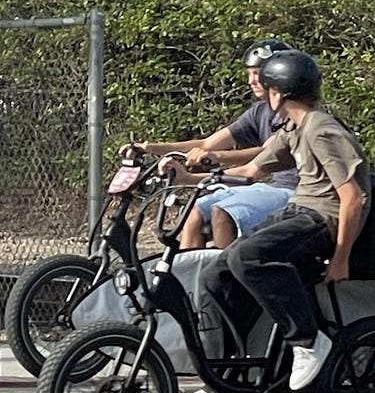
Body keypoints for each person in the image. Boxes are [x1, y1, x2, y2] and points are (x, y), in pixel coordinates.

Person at [180, 50, 371, 393]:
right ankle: (224, 378)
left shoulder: (321, 129)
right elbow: (252, 171)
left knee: (247, 256)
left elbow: (353, 197)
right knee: (216, 274)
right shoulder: (295, 129)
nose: (265, 94)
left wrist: (341, 258)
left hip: (321, 220)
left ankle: (309, 341)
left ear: (278, 94)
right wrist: (188, 177)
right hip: (297, 212)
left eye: (267, 87)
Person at [125, 39, 299, 249]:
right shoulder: (259, 112)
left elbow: (263, 155)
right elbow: (208, 143)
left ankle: (223, 278)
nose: (251, 81)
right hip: (270, 188)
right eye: (249, 73)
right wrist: (149, 148)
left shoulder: (295, 113)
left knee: (222, 213)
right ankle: (187, 277)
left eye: (258, 73)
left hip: (294, 192)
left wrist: (210, 162)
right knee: (195, 210)